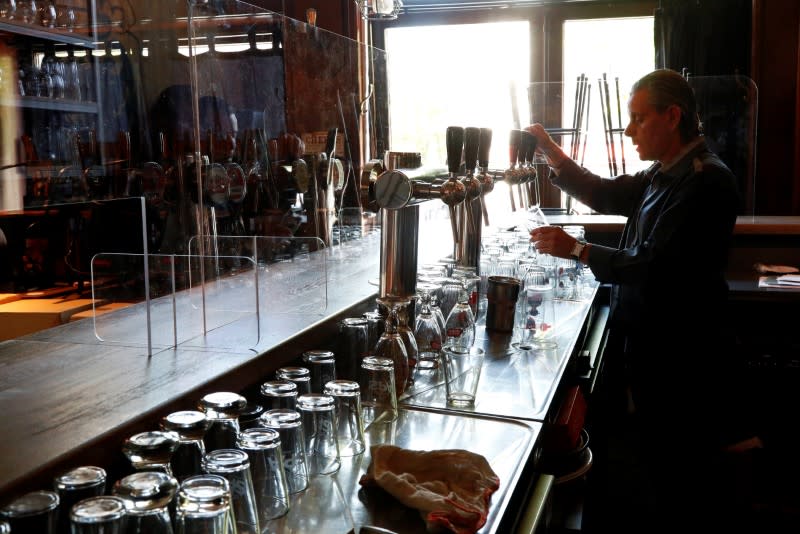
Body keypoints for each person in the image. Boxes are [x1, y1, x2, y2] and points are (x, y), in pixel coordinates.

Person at [526, 69, 749, 532]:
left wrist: (578, 249)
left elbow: (656, 265)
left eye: (639, 118)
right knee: (660, 468)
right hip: (653, 351)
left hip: (683, 359)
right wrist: (553, 154)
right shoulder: (664, 173)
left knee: (683, 478)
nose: (629, 130)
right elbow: (606, 192)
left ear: (673, 116)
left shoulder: (706, 181)